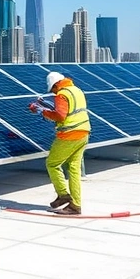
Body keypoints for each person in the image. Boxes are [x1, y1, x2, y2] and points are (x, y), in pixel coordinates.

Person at [29, 71, 91, 215]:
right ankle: (75, 205)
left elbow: (61, 115)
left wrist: (41, 111)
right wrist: (46, 106)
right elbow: (71, 110)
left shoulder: (62, 94)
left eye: (53, 89)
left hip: (69, 135)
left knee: (52, 163)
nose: (53, 92)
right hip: (84, 132)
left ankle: (63, 195)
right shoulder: (76, 90)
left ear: (56, 84)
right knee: (74, 168)